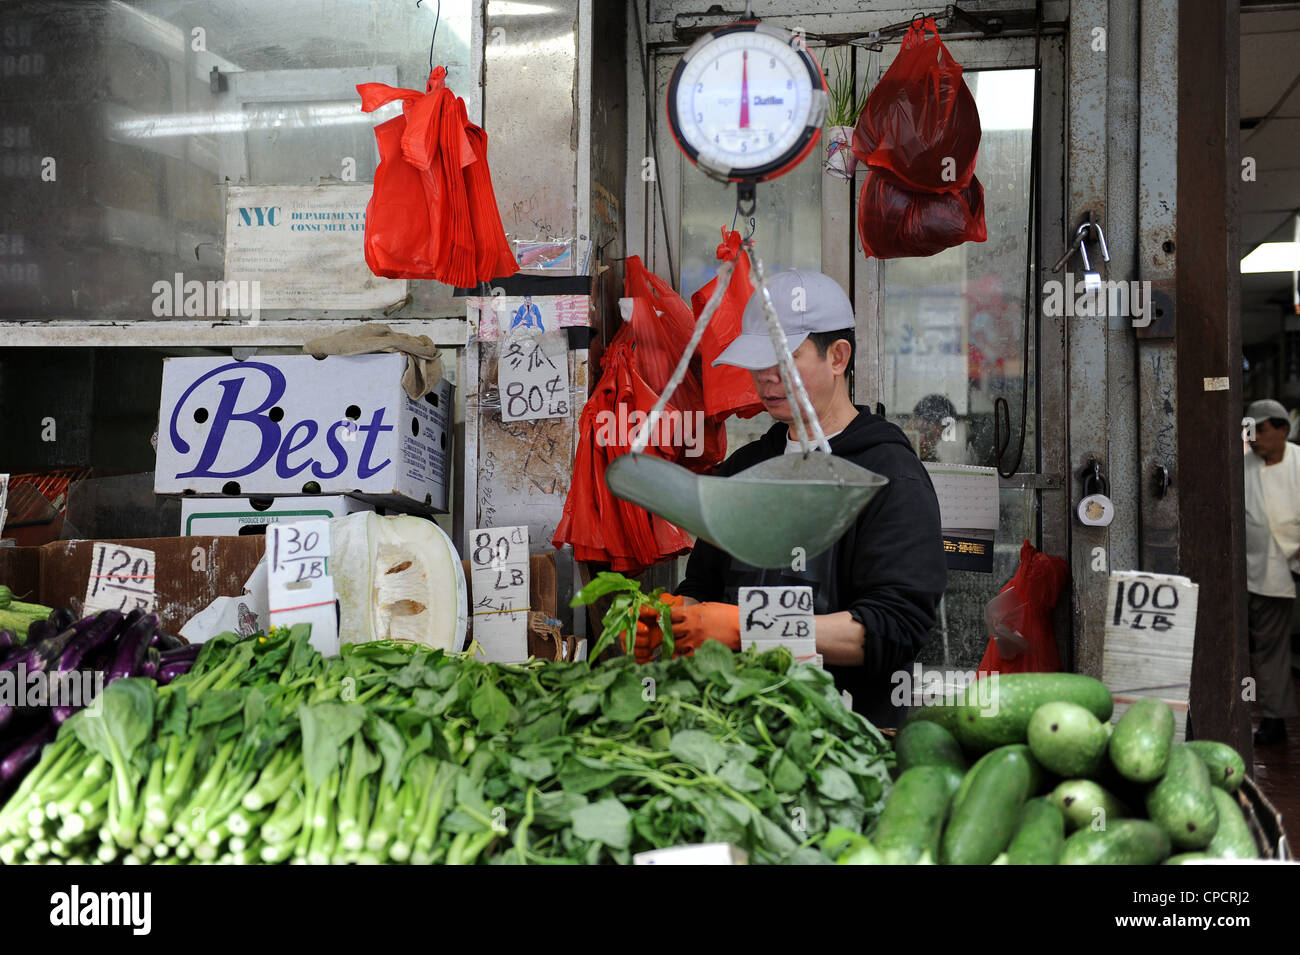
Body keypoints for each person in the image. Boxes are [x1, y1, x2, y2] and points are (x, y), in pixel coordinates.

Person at [634, 269, 948, 727]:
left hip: (845, 737)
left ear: (838, 357)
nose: (766, 379)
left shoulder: (890, 475)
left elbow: (894, 627)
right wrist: (674, 623)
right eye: (758, 363)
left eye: (783, 359)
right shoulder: (744, 470)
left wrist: (746, 629)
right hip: (735, 729)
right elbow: (701, 588)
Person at [1243, 398, 1300, 745]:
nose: (1255, 438)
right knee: (1269, 647)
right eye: (1251, 431)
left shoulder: (1299, 462)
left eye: (1262, 429)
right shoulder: (1241, 467)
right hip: (1264, 570)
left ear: (1283, 430)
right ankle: (1274, 719)